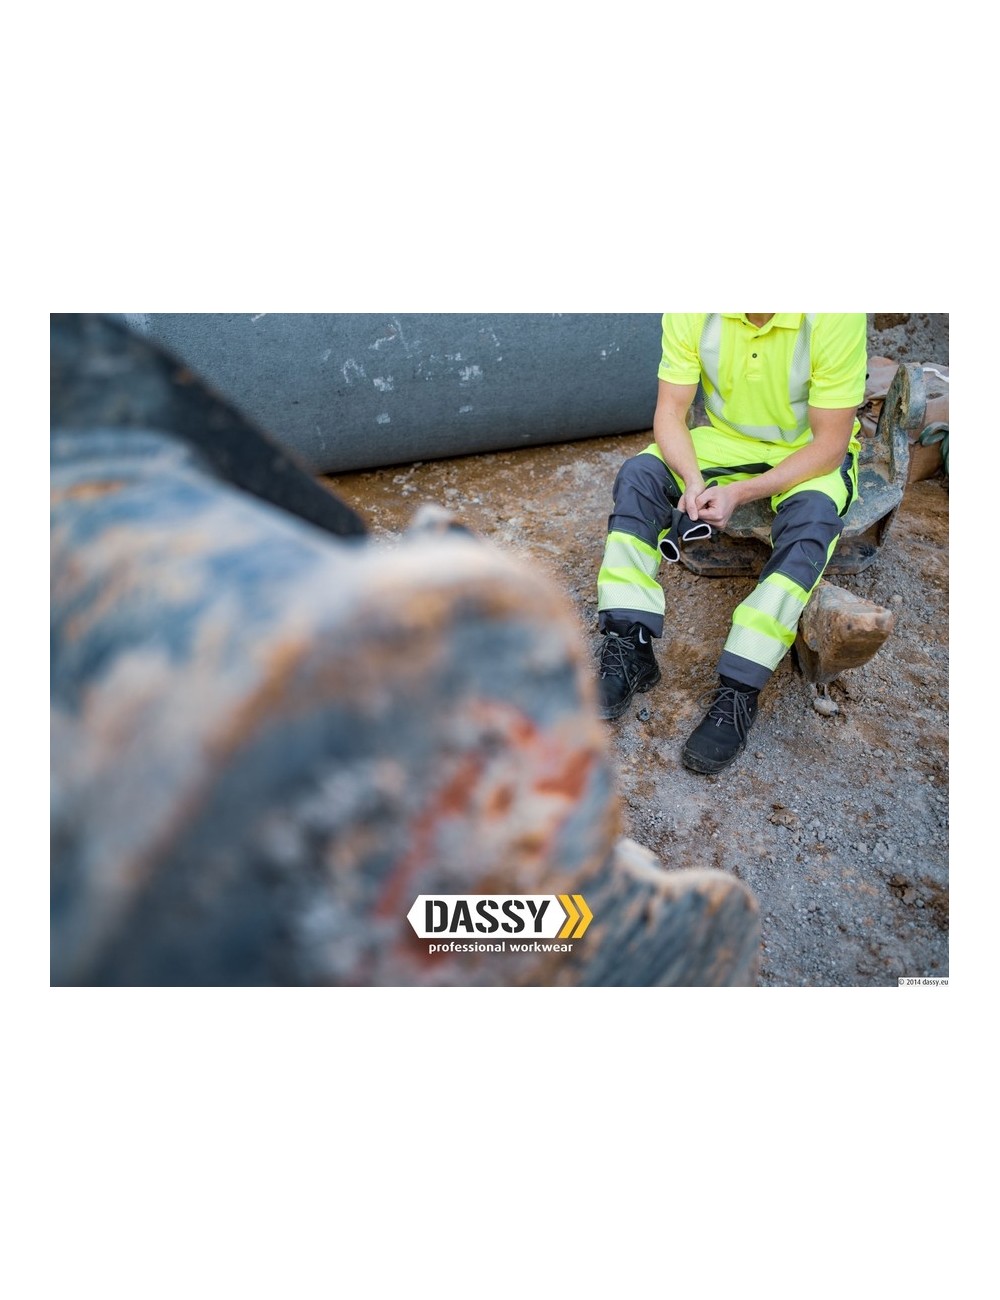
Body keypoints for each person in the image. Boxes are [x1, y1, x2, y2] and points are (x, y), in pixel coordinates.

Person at [594, 312, 868, 773]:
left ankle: (739, 690)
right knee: (640, 476)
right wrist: (692, 480)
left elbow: (830, 445)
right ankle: (629, 642)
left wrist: (740, 493)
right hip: (726, 442)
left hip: (808, 454)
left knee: (812, 521)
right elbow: (670, 412)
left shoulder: (834, 314)